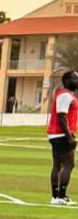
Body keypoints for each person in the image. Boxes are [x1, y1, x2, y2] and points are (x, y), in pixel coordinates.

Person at [46, 68, 77, 206]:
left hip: (56, 134)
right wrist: (69, 137)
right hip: (61, 134)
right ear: (67, 81)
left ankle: (56, 197)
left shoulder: (64, 94)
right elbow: (61, 116)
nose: (77, 81)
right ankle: (61, 196)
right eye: (75, 78)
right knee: (69, 164)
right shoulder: (65, 96)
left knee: (57, 165)